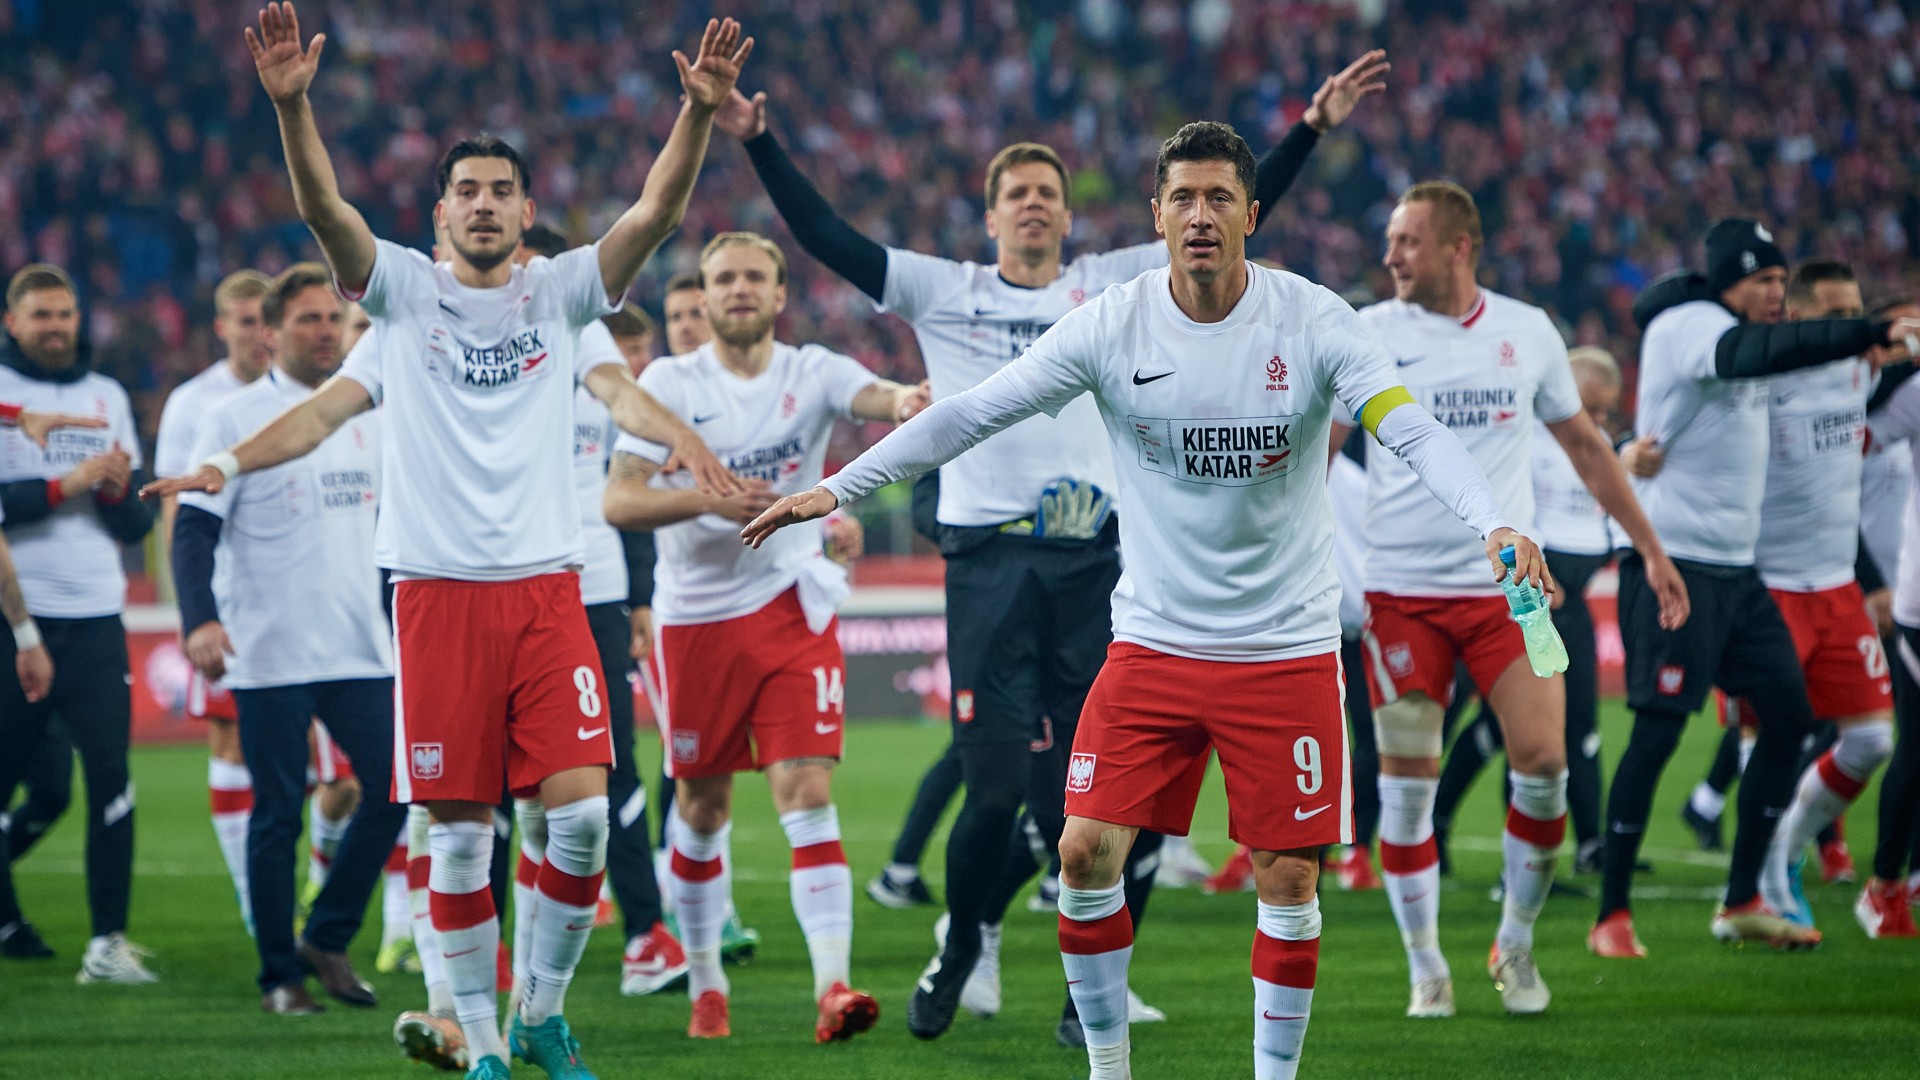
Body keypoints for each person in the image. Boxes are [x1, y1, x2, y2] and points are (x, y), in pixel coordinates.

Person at [743, 120, 1544, 1080]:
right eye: (1182, 199)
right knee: (1082, 854)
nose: (1200, 216)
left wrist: (1492, 520)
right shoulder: (1112, 323)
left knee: (1289, 879)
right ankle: (1108, 1068)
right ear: (1155, 216)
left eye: (1219, 199)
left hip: (1283, 648)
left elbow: (1407, 428)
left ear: (1251, 213)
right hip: (1155, 644)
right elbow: (969, 412)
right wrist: (839, 487)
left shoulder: (1317, 319)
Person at [145, 8, 746, 1078]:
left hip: (550, 593)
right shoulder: (402, 299)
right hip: (433, 597)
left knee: (581, 826)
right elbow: (323, 250)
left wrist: (695, 119)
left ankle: (542, 1014)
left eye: (499, 191)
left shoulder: (562, 297)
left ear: (525, 213)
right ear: (438, 216)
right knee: (463, 838)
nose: (482, 204)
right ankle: (480, 1043)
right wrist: (292, 108)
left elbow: (654, 217)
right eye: (464, 190)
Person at [1352, 182, 1686, 1017]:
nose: (1391, 256)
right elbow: (1315, 454)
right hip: (1401, 594)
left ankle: (1518, 942)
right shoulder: (1366, 334)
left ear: (1460, 246)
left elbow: (1587, 448)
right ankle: (1426, 962)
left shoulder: (1526, 331)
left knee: (1544, 768)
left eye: (1408, 241)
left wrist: (1649, 547)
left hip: (1508, 589)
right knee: (1408, 786)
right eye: (1391, 241)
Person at [603, 230, 927, 1042]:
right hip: (696, 621)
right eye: (724, 279)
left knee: (807, 792)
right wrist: (706, 501)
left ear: (781, 296)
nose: (740, 289)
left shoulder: (810, 370)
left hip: (791, 606)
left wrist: (908, 402)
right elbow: (621, 503)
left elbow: (878, 395)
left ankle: (833, 988)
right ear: (704, 298)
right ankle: (707, 985)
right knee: (702, 807)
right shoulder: (669, 383)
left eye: (755, 277)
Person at [1590, 218, 1920, 958]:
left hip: (1743, 574)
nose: (1775, 294)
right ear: (1730, 279)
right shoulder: (1692, 323)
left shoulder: (1817, 357)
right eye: (1764, 281)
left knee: (1791, 716)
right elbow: (1746, 354)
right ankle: (1611, 912)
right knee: (1657, 732)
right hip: (1677, 565)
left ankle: (1748, 890)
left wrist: (1885, 338)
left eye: (1780, 281)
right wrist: (1624, 450)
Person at [170, 262, 406, 1013]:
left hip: (360, 644)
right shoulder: (231, 420)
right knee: (276, 814)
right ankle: (280, 975)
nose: (326, 332)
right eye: (308, 319)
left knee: (395, 792)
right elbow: (193, 532)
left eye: (332, 320)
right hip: (267, 648)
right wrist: (199, 619)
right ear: (270, 334)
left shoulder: (366, 413)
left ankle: (326, 935)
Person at [506, 222, 685, 1000]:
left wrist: (641, 595)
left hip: (599, 585)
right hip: (504, 581)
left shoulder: (600, 360)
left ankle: (646, 931)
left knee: (613, 764)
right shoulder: (486, 362)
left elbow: (629, 488)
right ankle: (502, 951)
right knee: (506, 784)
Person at [0, 262, 157, 982]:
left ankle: (107, 944)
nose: (56, 328)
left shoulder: (106, 396)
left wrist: (117, 490)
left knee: (111, 780)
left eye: (65, 315)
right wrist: (69, 482)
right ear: (12, 323)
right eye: (41, 316)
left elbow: (131, 523)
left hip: (98, 617)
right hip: (15, 620)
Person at [1424, 345, 1628, 879]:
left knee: (1578, 728)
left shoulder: (1598, 447)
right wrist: (1529, 579)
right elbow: (1506, 515)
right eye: (1593, 407)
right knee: (1506, 729)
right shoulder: (1530, 446)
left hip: (1574, 601)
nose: (1601, 420)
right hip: (1529, 597)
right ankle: (1439, 827)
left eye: (1609, 411)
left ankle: (1587, 844)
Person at [1861, 295, 1920, 939]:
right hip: (1917, 601)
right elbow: (1845, 440)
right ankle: (1884, 885)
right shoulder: (1912, 392)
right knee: (1913, 744)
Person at [661, 274, 711, 357]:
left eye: (696, 314)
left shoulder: (738, 369)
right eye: (676, 317)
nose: (685, 326)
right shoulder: (657, 369)